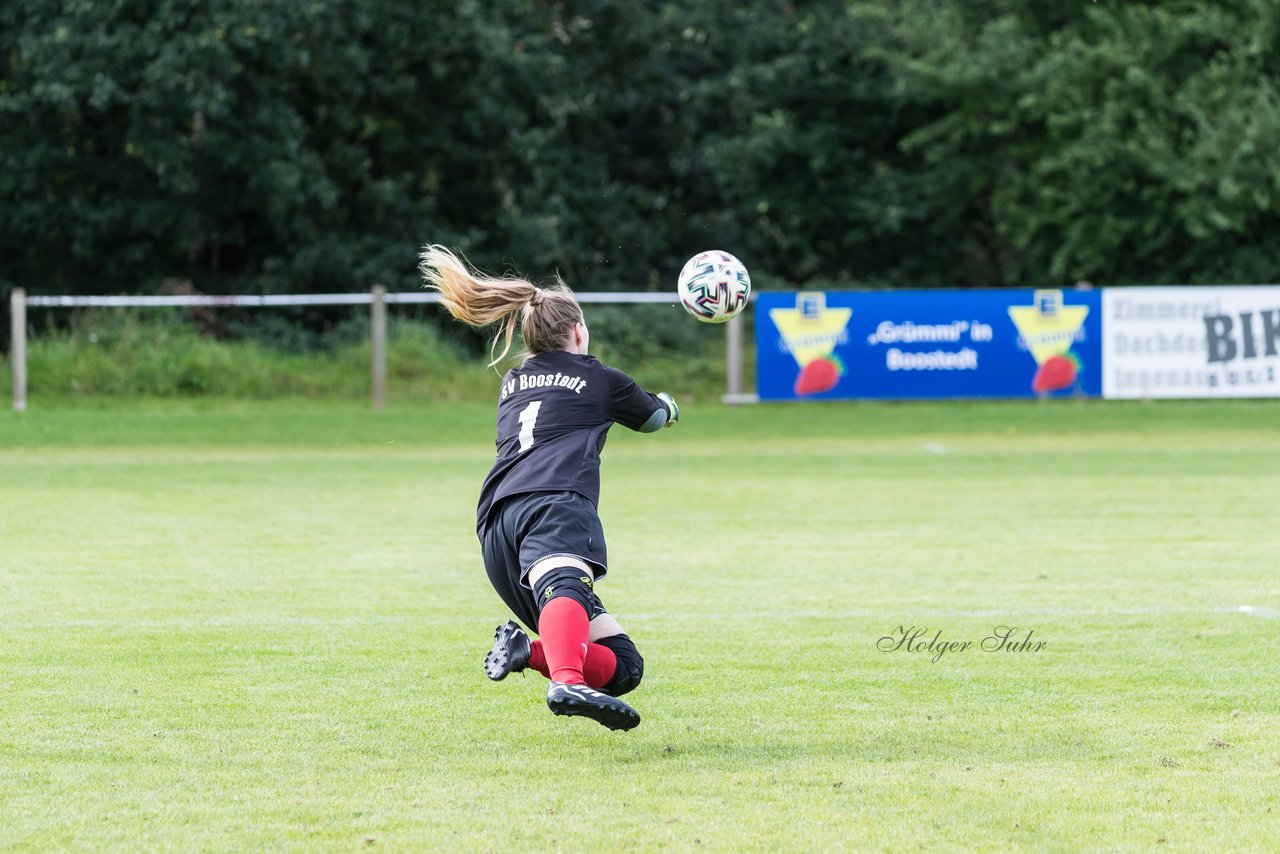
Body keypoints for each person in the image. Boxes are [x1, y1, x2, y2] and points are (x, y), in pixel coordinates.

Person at [419, 245, 680, 731]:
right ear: (579, 331)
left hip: (496, 527)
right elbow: (652, 419)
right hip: (552, 504)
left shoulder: (515, 380)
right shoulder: (599, 377)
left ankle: (528, 652)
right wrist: (669, 405)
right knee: (565, 593)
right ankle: (565, 679)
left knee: (623, 666)